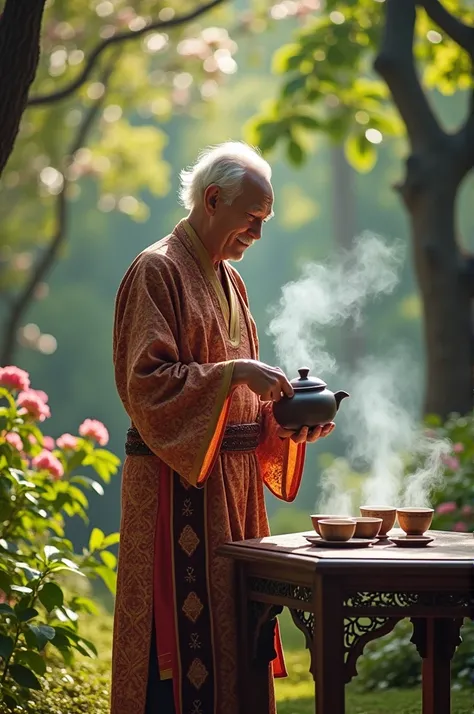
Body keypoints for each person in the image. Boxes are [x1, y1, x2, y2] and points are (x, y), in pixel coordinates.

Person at [111, 141, 335, 714]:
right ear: (213, 200)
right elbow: (148, 385)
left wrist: (282, 426)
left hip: (232, 493)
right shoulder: (157, 269)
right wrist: (235, 372)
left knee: (237, 633)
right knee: (180, 656)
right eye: (251, 218)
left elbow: (241, 415)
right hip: (177, 491)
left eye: (265, 221)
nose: (257, 235)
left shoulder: (230, 282)